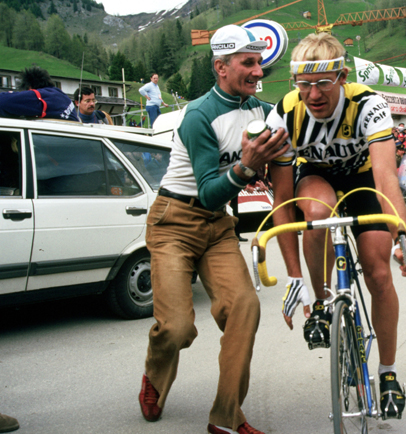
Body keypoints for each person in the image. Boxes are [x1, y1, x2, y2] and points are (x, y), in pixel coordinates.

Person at [265, 33, 406, 420]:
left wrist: (403, 237)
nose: (314, 94)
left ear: (342, 76)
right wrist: (294, 279)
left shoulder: (368, 103)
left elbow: (387, 178)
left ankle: (387, 372)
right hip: (315, 177)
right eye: (304, 84)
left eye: (323, 83)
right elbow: (284, 204)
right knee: (316, 215)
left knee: (379, 272)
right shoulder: (285, 113)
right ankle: (321, 304)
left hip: (363, 179)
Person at [137, 25, 289, 434]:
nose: (259, 71)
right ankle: (154, 374)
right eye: (248, 63)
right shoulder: (199, 116)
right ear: (221, 67)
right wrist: (245, 167)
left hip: (218, 225)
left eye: (260, 62)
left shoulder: (261, 109)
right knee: (178, 328)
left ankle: (226, 418)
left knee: (245, 307)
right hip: (175, 222)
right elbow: (206, 192)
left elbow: (280, 163)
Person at [0, 66, 79, 122]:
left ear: (30, 88)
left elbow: (3, 101)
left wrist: (12, 95)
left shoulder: (42, 97)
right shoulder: (59, 94)